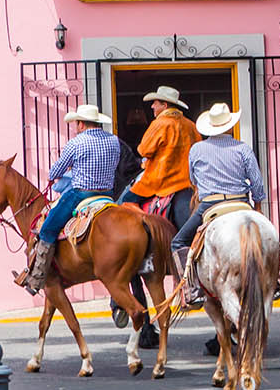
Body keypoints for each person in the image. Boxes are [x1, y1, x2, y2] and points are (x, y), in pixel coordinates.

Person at [172, 102, 267, 306]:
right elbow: (257, 183)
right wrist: (257, 208)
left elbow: (193, 180)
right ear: (230, 126)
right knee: (268, 238)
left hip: (210, 205)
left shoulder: (197, 149)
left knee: (178, 242)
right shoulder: (242, 148)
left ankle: (191, 290)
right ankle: (277, 280)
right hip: (241, 203)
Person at [20, 104, 121, 294]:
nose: (76, 126)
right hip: (107, 194)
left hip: (81, 194)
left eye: (76, 123)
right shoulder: (114, 140)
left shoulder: (76, 143)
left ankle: (37, 277)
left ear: (82, 124)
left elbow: (54, 172)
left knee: (48, 228)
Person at [119, 85, 197, 230]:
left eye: (155, 102)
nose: (152, 106)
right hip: (188, 182)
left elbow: (143, 150)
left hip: (161, 181)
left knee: (127, 200)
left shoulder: (160, 123)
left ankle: (146, 228)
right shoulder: (191, 125)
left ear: (164, 105)